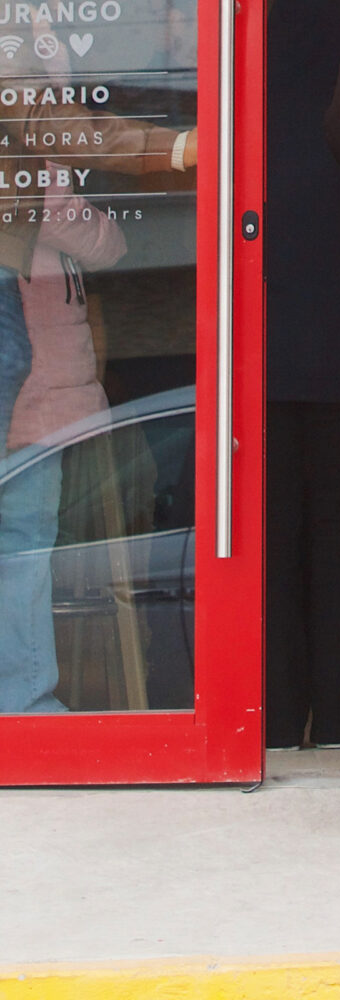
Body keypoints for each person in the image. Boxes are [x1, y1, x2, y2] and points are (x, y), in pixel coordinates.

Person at [263, 0, 340, 749]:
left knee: (270, 551)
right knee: (337, 548)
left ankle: (273, 713)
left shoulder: (248, 122)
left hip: (261, 376)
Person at [0, 184, 126, 714]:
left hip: (35, 387)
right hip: (36, 388)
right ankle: (23, 704)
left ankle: (23, 700)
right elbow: (106, 243)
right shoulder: (28, 160)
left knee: (22, 542)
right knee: (23, 542)